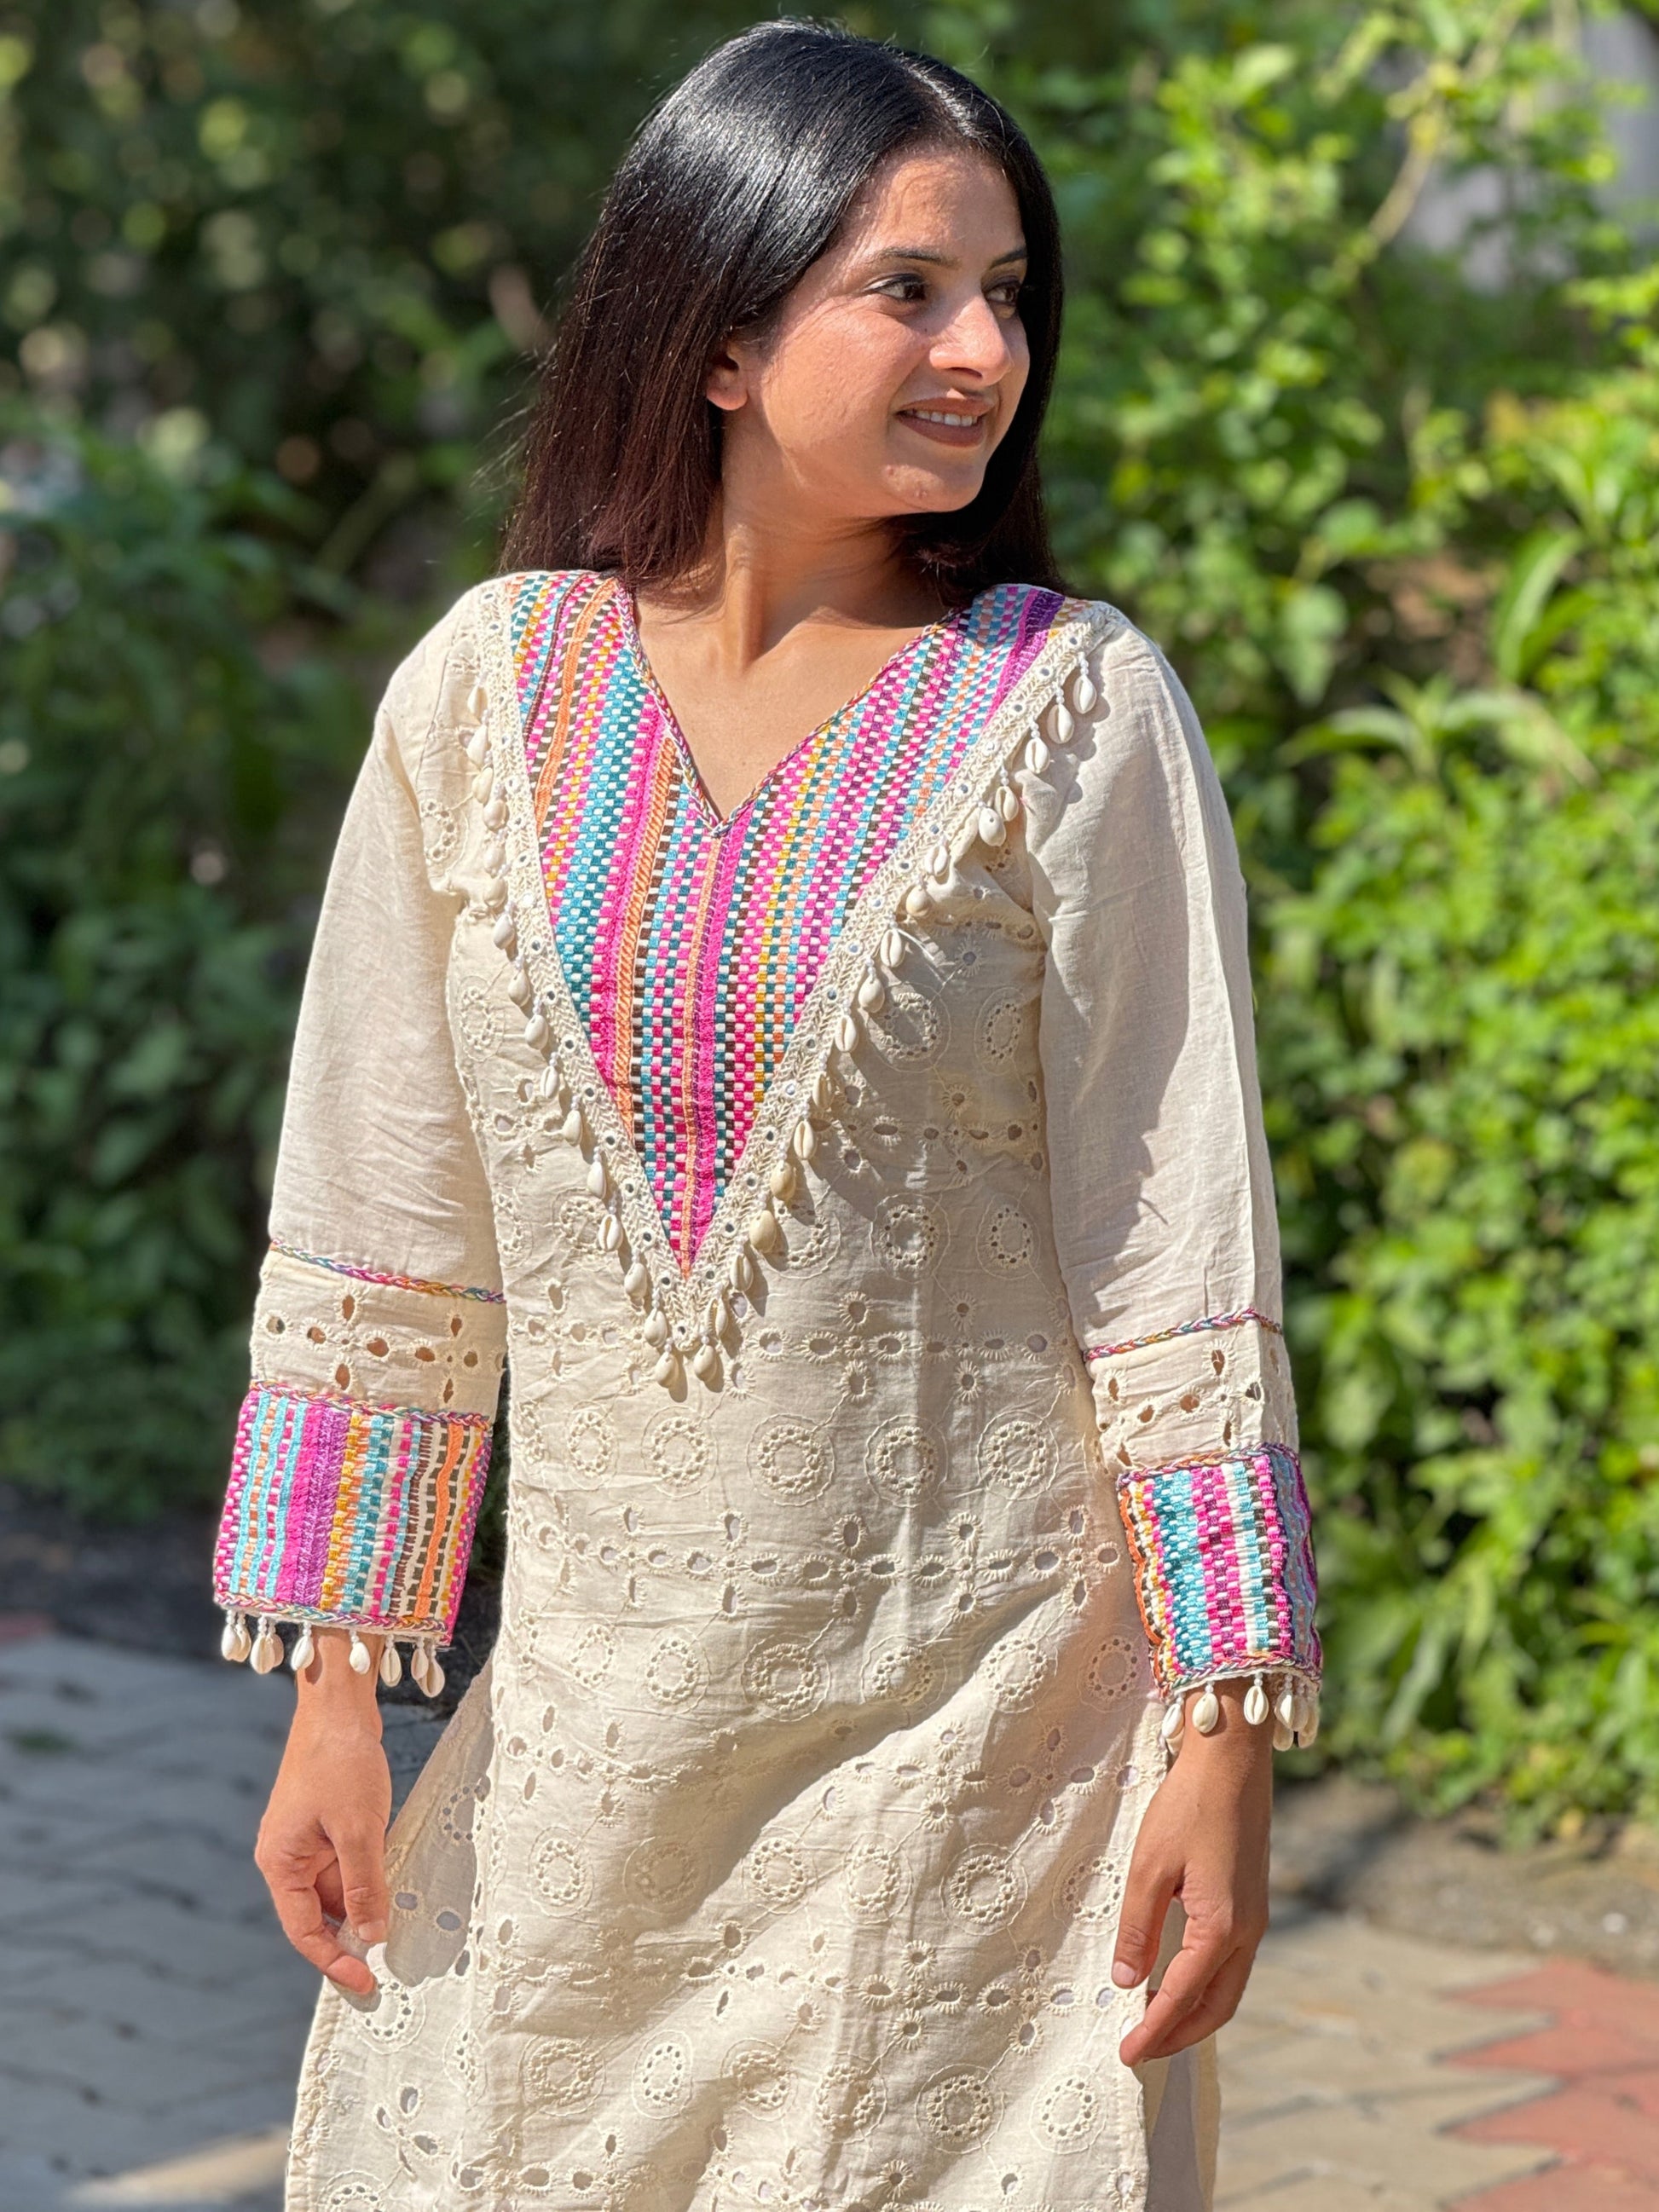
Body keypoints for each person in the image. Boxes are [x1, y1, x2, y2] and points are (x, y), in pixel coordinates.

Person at [211, 20, 1320, 2210]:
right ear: (716, 331)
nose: (982, 347)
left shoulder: (1067, 705)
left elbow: (1176, 1236)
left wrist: (1221, 1732)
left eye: (1008, 293)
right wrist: (339, 1691)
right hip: (585, 1756)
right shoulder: (489, 689)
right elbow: (384, 1225)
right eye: (906, 286)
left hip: (986, 1757)